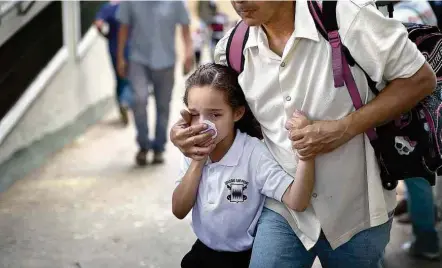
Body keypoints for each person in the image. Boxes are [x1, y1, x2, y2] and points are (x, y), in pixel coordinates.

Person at [170, 1, 436, 267]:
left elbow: (420, 79)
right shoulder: (232, 49)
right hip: (282, 209)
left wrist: (346, 128)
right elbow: (223, 116)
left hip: (357, 210)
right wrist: (185, 135)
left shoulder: (344, 15)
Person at [172, 63, 315, 268]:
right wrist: (198, 161)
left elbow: (297, 200)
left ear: (237, 113)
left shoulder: (253, 154)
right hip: (203, 251)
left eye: (215, 114)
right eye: (195, 114)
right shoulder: (192, 150)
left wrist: (306, 152)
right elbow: (179, 209)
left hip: (243, 258)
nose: (204, 124)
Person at [391, 0, 440, 260]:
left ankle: (427, 241)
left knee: (416, 175)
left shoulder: (400, 16)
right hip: (429, 106)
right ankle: (423, 217)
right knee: (422, 175)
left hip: (410, 109)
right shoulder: (422, 5)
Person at [117, 1, 193, 166]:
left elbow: (185, 29)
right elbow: (123, 28)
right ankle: (143, 146)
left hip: (166, 61)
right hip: (138, 59)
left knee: (163, 105)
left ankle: (159, 147)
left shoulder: (176, 2)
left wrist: (188, 54)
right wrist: (120, 57)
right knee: (139, 99)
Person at [94, 0, 132, 126]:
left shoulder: (108, 7)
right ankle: (125, 101)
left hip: (114, 49)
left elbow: (98, 24)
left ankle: (122, 103)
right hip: (130, 48)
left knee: (119, 78)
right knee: (130, 78)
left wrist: (106, 35)